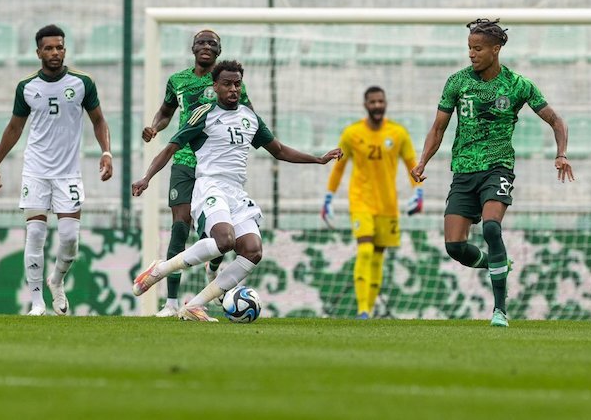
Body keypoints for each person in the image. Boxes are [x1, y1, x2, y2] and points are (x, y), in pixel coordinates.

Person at [132, 60, 342, 321]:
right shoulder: (204, 113)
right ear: (215, 86)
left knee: (253, 250)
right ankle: (159, 270)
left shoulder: (250, 117)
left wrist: (318, 159)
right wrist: (146, 177)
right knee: (225, 241)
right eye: (227, 84)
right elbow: (171, 148)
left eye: (237, 84)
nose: (233, 89)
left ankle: (194, 306)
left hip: (236, 192)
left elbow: (278, 150)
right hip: (209, 185)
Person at [410, 18, 574, 327]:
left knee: (491, 229)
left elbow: (556, 121)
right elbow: (438, 128)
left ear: (496, 50)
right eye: (469, 48)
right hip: (463, 171)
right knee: (455, 247)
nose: (472, 54)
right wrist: (423, 162)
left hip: (497, 168)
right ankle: (498, 263)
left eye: (478, 48)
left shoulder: (517, 85)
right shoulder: (457, 82)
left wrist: (561, 153)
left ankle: (500, 310)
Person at [0, 24, 113, 316]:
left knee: (69, 238)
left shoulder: (83, 82)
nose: (55, 52)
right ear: (38, 52)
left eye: (59, 47)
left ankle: (56, 280)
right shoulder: (27, 87)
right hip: (36, 170)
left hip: (68, 172)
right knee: (35, 236)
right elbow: (15, 127)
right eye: (49, 48)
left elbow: (99, 121)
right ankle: (36, 303)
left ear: (65, 49)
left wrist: (106, 152)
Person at [142, 29, 252, 317]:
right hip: (184, 161)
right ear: (192, 48)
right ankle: (172, 303)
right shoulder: (178, 80)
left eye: (212, 43)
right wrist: (155, 126)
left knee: (220, 235)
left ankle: (213, 267)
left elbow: (245, 117)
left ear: (219, 51)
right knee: (180, 227)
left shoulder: (227, 82)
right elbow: (166, 111)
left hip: (215, 169)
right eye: (201, 42)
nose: (206, 46)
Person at [321, 86, 423, 319]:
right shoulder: (352, 133)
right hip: (361, 202)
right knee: (365, 250)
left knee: (378, 255)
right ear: (365, 105)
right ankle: (363, 309)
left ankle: (369, 308)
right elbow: (338, 168)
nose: (377, 105)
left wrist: (418, 192)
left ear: (385, 103)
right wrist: (329, 196)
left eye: (380, 101)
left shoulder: (398, 133)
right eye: (372, 102)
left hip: (388, 204)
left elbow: (412, 166)